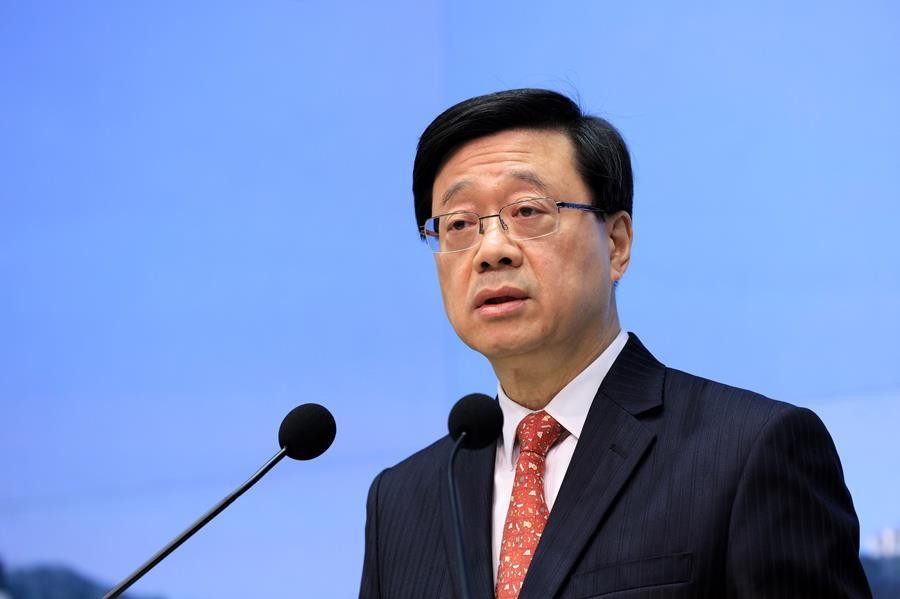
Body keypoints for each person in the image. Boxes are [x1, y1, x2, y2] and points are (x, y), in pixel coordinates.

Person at [358, 89, 871, 598]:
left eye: (528, 211)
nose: (491, 250)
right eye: (459, 224)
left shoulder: (749, 451)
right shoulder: (400, 501)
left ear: (617, 243)